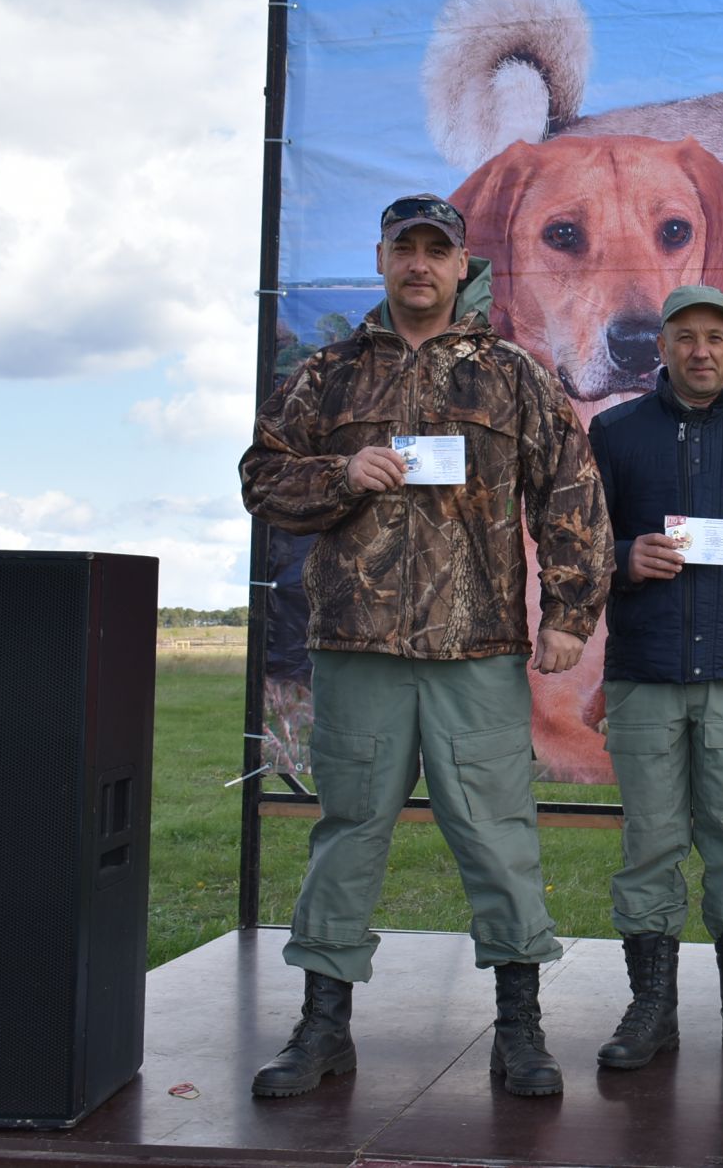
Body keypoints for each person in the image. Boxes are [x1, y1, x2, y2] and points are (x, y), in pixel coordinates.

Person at [239, 193, 612, 1099]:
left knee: (498, 838)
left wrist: (569, 610)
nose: (418, 264)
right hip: (357, 648)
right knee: (347, 835)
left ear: (459, 265)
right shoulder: (327, 375)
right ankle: (323, 1027)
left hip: (476, 653)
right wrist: (339, 473)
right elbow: (262, 478)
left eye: (434, 251)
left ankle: (519, 1030)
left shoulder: (512, 375)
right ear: (379, 260)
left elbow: (572, 489)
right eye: (402, 249)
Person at [585, 283, 723, 1072]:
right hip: (645, 674)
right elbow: (575, 549)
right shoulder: (615, 434)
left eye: (717, 335)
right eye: (685, 336)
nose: (701, 350)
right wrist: (621, 560)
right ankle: (652, 1008)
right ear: (664, 345)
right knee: (648, 843)